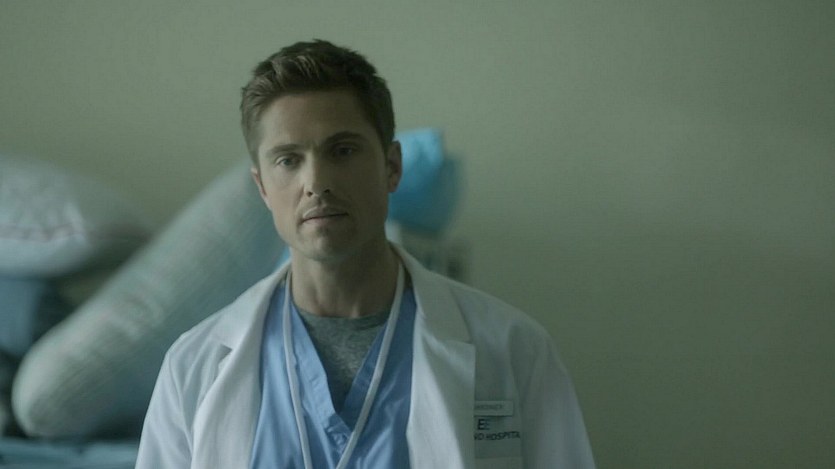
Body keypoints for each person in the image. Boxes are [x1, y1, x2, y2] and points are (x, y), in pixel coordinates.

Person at [135, 39, 596, 468]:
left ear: (391, 167)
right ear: (262, 188)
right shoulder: (194, 367)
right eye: (288, 160)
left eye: (342, 150)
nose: (316, 183)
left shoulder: (513, 349)